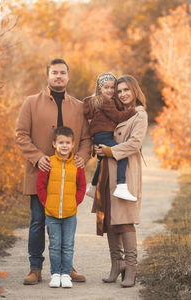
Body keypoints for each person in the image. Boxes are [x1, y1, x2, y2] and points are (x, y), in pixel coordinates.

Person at [15, 58, 91, 285]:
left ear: (68, 76)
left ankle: (67, 267)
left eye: (62, 73)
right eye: (54, 72)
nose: (58, 76)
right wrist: (38, 159)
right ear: (47, 76)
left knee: (65, 222)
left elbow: (87, 139)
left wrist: (83, 157)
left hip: (68, 177)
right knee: (38, 221)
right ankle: (35, 268)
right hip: (41, 174)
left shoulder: (78, 106)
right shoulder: (30, 102)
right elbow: (20, 134)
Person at [93, 74, 148, 288]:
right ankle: (117, 265)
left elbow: (134, 143)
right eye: (119, 91)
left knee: (125, 220)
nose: (123, 94)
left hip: (127, 172)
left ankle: (131, 269)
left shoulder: (139, 115)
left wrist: (109, 150)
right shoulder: (116, 113)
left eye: (126, 90)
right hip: (108, 169)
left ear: (135, 91)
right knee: (110, 220)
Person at [36, 127, 86, 288]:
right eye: (61, 142)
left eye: (67, 143)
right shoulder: (49, 162)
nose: (64, 146)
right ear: (54, 144)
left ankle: (66, 274)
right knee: (55, 244)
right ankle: (55, 274)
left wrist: (75, 202)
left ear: (73, 145)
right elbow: (40, 186)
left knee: (68, 245)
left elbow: (82, 186)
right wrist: (47, 203)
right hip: (52, 213)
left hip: (70, 213)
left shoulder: (77, 164)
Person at [83, 72, 136, 201]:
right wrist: (134, 110)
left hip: (99, 136)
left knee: (101, 163)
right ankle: (121, 186)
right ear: (99, 89)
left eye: (112, 87)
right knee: (122, 155)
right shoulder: (106, 101)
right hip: (104, 136)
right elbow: (118, 117)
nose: (110, 90)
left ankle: (92, 187)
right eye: (106, 87)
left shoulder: (97, 101)